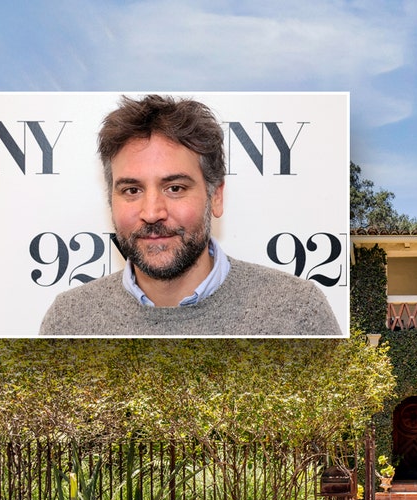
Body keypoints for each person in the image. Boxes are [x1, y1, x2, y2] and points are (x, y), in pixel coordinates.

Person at [39, 95, 341, 336]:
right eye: (132, 190)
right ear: (111, 201)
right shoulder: (68, 321)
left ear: (216, 196)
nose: (152, 213)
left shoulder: (297, 311)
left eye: (174, 187)